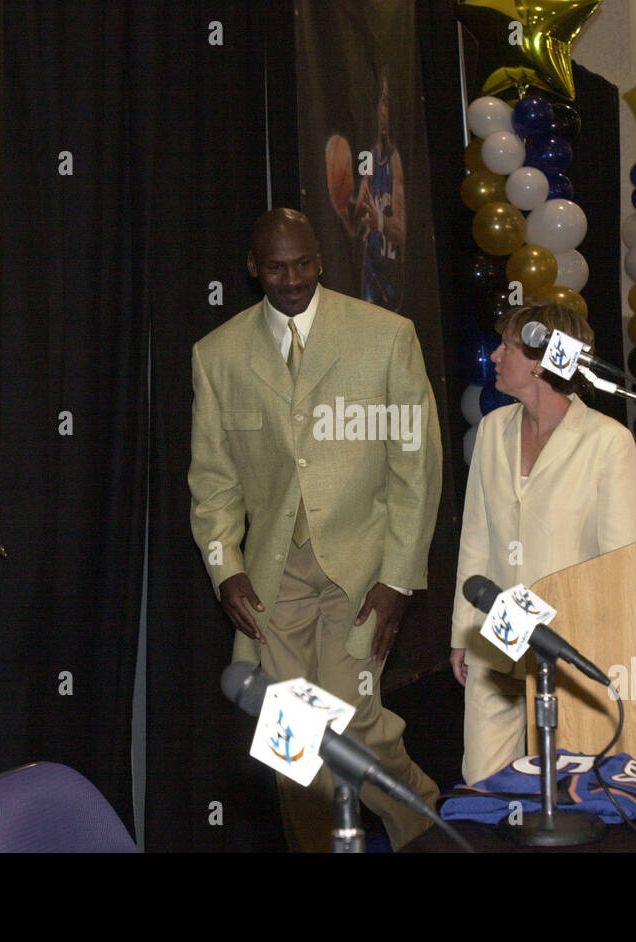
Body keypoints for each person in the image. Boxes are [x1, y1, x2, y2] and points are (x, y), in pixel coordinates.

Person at [188, 208, 443, 850]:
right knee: (290, 734)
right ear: (254, 269)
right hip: (274, 580)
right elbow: (213, 483)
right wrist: (226, 567)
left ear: (320, 261)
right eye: (276, 267)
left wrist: (400, 579)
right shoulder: (217, 355)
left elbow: (416, 468)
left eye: (303, 263)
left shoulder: (386, 336)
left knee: (356, 723)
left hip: (364, 569)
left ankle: (426, 829)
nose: (293, 278)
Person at [450, 302, 636, 785]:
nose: (493, 356)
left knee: (569, 790)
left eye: (506, 347)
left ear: (540, 360)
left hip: (568, 641)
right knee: (483, 784)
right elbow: (474, 540)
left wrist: (608, 647)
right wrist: (461, 632)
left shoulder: (608, 441)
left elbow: (619, 562)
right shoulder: (493, 431)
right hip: (496, 635)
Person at [341, 73, 405, 311]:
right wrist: (342, 198)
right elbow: (356, 220)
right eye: (382, 102)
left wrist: (379, 220)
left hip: (390, 278)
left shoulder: (393, 158)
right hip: (370, 274)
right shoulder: (369, 156)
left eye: (388, 103)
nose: (384, 110)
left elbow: (399, 231)